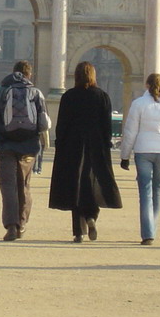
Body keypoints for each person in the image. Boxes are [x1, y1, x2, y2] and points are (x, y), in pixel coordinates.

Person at [48, 62, 123, 242]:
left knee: (75, 186)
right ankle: (91, 216)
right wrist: (106, 144)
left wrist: (60, 143)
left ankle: (78, 232)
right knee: (93, 184)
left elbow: (62, 124)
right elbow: (107, 125)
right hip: (95, 146)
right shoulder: (102, 96)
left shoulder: (69, 96)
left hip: (72, 146)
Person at [0, 60, 50, 241]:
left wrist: (0, 129)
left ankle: (11, 226)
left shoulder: (0, 92)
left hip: (5, 144)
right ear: (29, 74)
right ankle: (22, 224)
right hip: (28, 146)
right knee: (24, 184)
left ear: (13, 72)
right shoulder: (36, 93)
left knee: (8, 186)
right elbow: (44, 123)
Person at [118, 73, 160, 245]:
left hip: (143, 150)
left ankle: (147, 233)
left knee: (145, 193)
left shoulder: (138, 104)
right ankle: (152, 228)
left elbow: (130, 132)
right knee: (157, 191)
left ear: (147, 85)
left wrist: (125, 156)